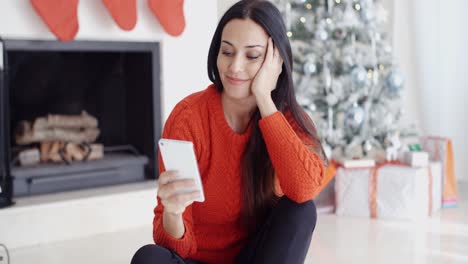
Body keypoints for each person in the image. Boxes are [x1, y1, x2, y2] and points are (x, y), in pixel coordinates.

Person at [131, 1, 327, 263]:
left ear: (275, 60)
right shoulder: (189, 117)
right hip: (196, 259)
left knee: (301, 211)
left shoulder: (287, 118)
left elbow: (304, 190)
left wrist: (264, 100)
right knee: (149, 258)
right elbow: (176, 249)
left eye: (252, 55)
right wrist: (173, 213)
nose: (235, 67)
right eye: (227, 52)